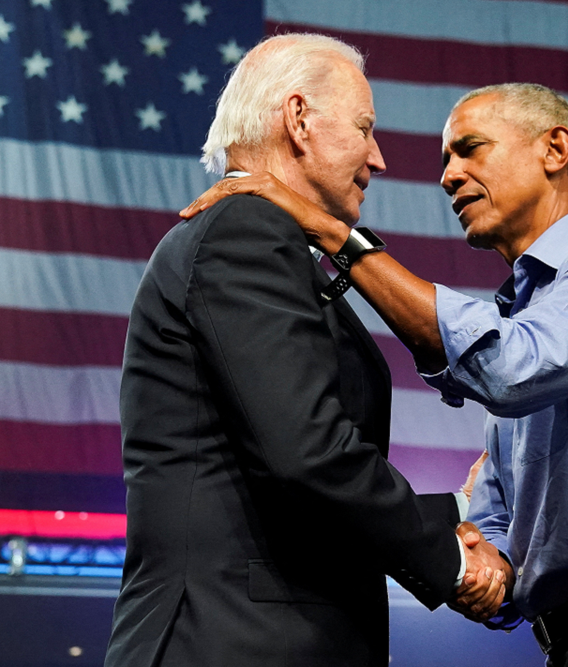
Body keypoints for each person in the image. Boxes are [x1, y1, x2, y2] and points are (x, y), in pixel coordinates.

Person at [182, 83, 568, 666]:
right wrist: (467, 560)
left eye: (470, 149)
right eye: (446, 160)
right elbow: (496, 533)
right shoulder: (524, 320)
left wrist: (337, 235)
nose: (448, 176)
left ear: (555, 150)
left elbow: (509, 369)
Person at [105, 34, 508, 667]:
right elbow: (307, 454)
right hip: (232, 641)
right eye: (364, 127)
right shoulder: (245, 230)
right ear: (299, 120)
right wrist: (452, 555)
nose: (377, 157)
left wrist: (458, 512)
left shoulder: (270, 242)